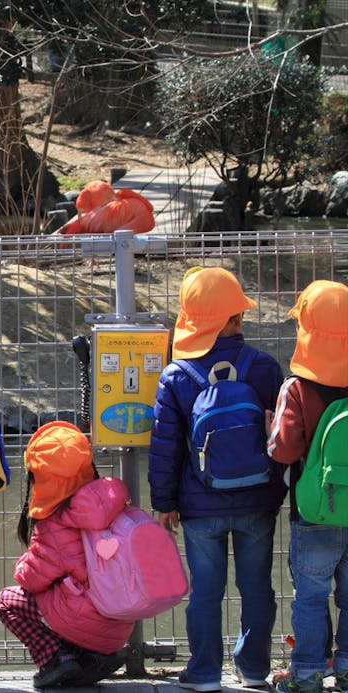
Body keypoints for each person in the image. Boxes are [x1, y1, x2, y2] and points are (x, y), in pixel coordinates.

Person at [148, 267, 285, 692]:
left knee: (206, 591)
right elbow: (281, 435)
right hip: (256, 500)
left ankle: (205, 672)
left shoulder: (176, 375)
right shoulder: (263, 368)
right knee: (257, 588)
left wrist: (164, 500)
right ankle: (254, 670)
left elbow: (165, 446)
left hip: (199, 504)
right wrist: (275, 490)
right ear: (237, 318)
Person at [0, 420, 132, 688]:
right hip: (121, 621)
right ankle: (88, 656)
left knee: (6, 602)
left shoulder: (54, 521)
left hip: (88, 622)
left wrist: (23, 564)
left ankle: (56, 658)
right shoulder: (114, 502)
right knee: (70, 589)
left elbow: (32, 579)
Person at [266, 280, 348, 693]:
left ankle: (308, 674)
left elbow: (282, 451)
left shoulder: (297, 387)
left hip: (314, 511)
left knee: (311, 596)